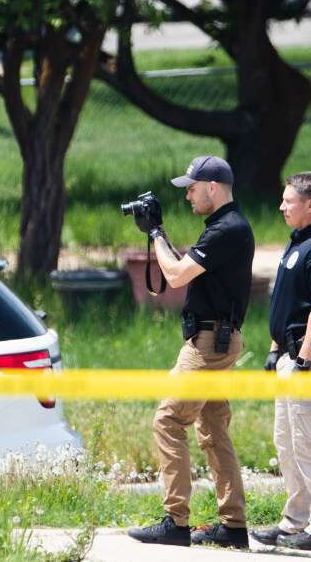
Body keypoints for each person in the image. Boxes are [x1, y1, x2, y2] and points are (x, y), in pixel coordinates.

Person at [127, 155, 255, 549]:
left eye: (192, 188)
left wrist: (156, 234)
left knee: (168, 419)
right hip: (217, 339)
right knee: (213, 429)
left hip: (207, 346)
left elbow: (177, 274)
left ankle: (175, 521)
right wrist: (160, 235)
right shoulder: (225, 227)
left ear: (212, 187)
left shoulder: (226, 230)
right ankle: (233, 526)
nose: (188, 196)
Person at [250, 172, 311, 553]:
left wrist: (304, 362)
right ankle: (294, 524)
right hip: (291, 355)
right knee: (288, 444)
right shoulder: (299, 243)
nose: (281, 206)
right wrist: (277, 350)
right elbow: (290, 306)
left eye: (288, 201)